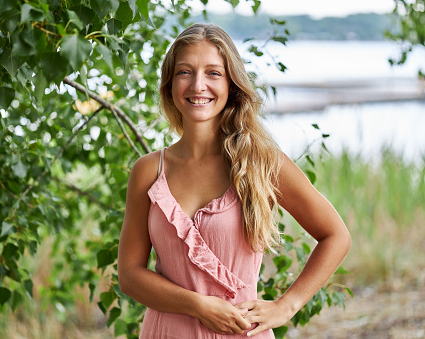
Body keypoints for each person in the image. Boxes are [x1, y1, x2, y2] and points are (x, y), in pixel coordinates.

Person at [117, 23, 351, 338]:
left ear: (232, 85)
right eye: (185, 72)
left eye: (213, 73)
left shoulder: (261, 163)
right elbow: (130, 276)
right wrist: (198, 305)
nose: (198, 85)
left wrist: (286, 306)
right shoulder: (148, 170)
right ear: (169, 84)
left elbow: (336, 235)